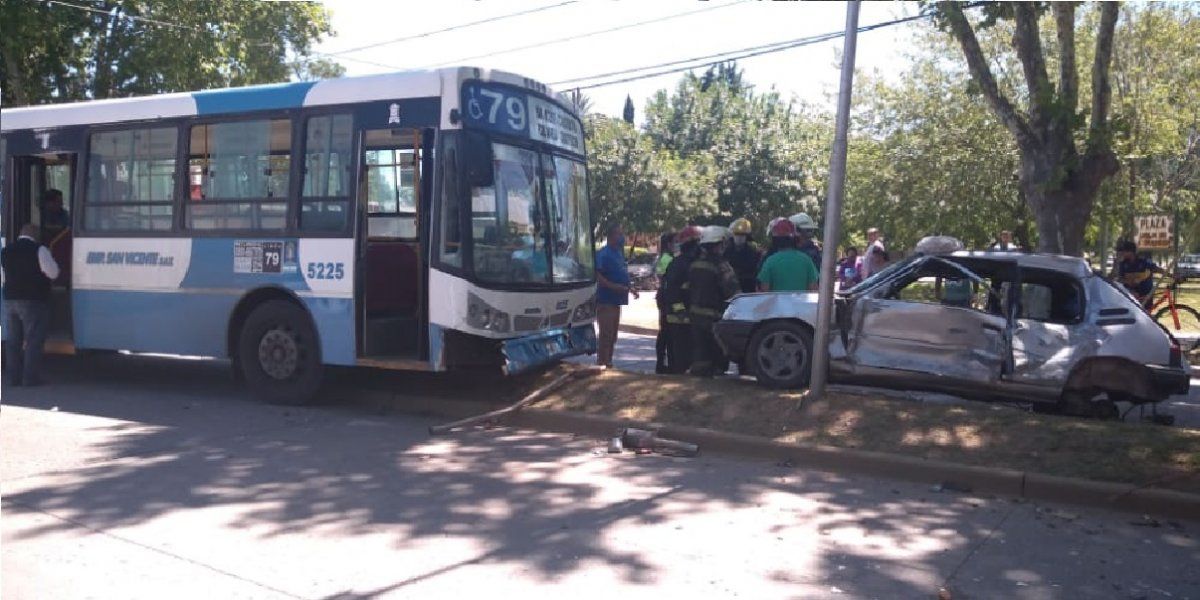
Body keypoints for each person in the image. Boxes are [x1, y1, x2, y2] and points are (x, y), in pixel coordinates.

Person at [2, 223, 61, 386]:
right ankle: (30, 378)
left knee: (13, 341)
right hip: (33, 301)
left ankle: (13, 378)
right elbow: (53, 272)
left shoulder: (6, 251)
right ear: (35, 235)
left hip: (9, 300)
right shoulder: (39, 250)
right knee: (33, 340)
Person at [687, 226, 739, 377]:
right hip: (716, 317)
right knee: (718, 354)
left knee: (700, 351)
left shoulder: (695, 264)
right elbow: (733, 291)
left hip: (696, 315)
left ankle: (700, 378)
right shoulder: (722, 266)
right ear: (720, 244)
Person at [656, 225, 702, 374]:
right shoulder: (679, 264)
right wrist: (680, 311)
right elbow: (672, 291)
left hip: (686, 315)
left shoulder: (689, 262)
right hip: (679, 317)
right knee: (679, 356)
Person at [594, 224, 638, 368]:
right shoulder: (603, 254)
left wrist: (631, 289)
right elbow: (598, 275)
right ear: (611, 236)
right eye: (619, 234)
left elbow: (622, 274)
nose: (622, 238)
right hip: (606, 301)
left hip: (617, 300)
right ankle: (602, 363)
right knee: (606, 334)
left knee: (613, 335)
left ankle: (609, 361)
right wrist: (612, 286)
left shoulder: (618, 253)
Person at [757, 219, 819, 292]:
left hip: (777, 304)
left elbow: (764, 290)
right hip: (801, 303)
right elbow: (814, 288)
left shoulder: (770, 261)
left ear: (775, 240)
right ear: (794, 239)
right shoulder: (806, 260)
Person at [1112, 240, 1164, 310]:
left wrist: (1171, 275)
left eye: (1123, 251)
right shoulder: (1123, 264)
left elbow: (1157, 269)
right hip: (1131, 296)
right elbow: (1120, 279)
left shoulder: (1143, 261)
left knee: (1146, 315)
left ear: (1130, 252)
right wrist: (1128, 283)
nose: (1122, 253)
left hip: (1146, 295)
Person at [724, 217, 761, 294]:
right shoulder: (726, 251)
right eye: (737, 234)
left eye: (742, 235)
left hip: (748, 290)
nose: (739, 237)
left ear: (747, 236)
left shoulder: (753, 252)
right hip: (730, 291)